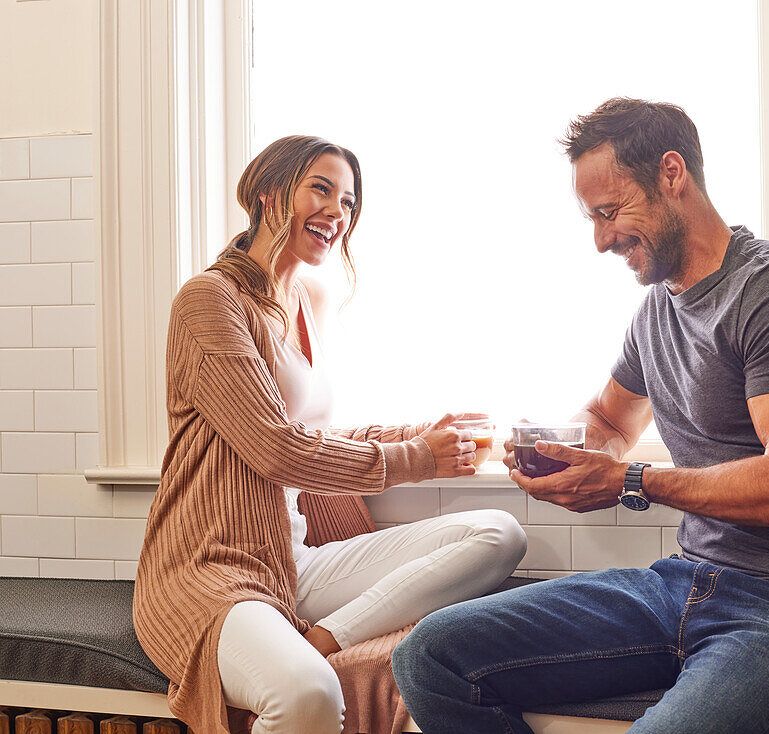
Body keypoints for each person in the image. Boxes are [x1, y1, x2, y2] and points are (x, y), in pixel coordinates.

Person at [392, 98, 769, 734]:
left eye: (609, 212)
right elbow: (611, 420)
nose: (600, 240)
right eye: (592, 218)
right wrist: (557, 451)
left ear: (671, 174)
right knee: (430, 655)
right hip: (682, 586)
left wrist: (630, 482)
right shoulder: (657, 312)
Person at [132, 135, 527, 734]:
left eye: (348, 200)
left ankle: (321, 638)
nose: (338, 212)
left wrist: (424, 432)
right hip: (209, 569)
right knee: (308, 696)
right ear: (270, 193)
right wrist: (415, 458)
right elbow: (274, 446)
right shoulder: (210, 300)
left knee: (497, 533)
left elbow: (317, 433)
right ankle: (311, 656)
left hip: (289, 562)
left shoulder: (300, 304)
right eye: (321, 189)